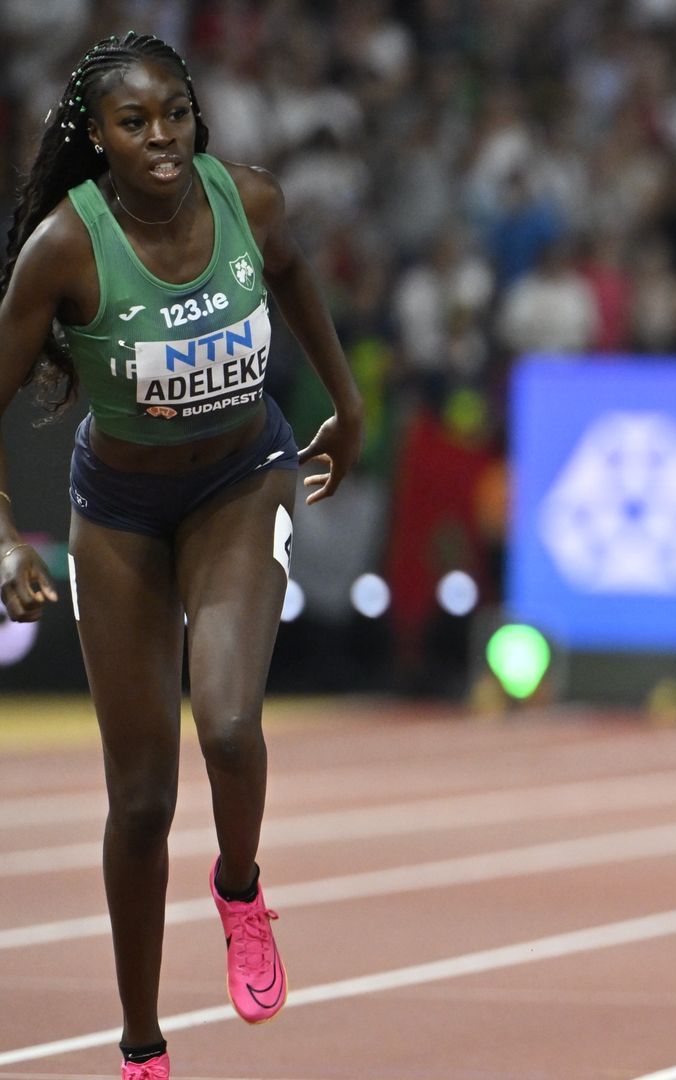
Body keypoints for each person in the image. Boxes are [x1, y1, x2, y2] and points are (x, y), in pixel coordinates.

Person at [0, 33, 362, 1080]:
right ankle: (142, 1049)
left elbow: (293, 278)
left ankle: (241, 893)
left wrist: (346, 403)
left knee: (234, 725)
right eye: (133, 122)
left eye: (175, 114)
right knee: (141, 800)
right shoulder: (66, 249)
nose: (160, 137)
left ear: (196, 115)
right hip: (116, 513)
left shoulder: (248, 200)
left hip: (242, 483)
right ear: (97, 137)